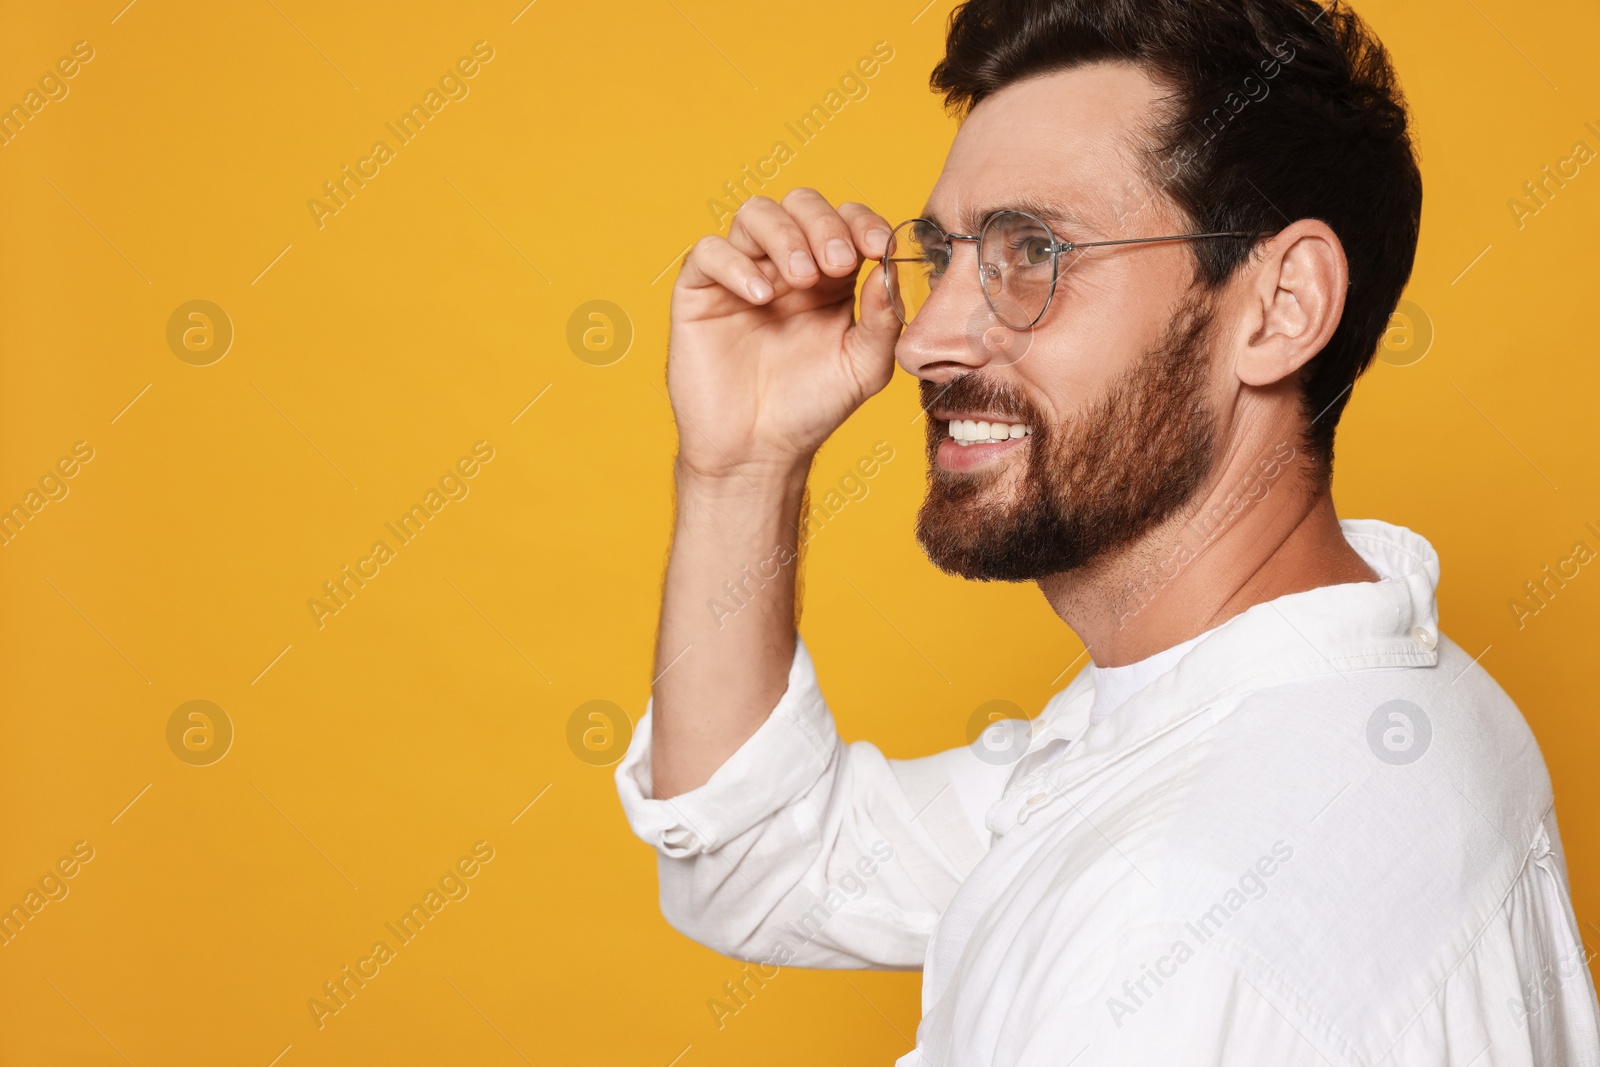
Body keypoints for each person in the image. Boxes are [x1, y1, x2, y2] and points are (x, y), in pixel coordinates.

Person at [614, 0, 1600, 1062]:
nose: (927, 340)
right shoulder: (1369, 696)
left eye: (1032, 248)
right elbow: (760, 863)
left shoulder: (1170, 932)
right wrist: (743, 463)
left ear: (1278, 308)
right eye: (944, 252)